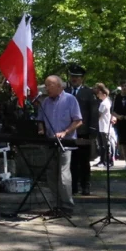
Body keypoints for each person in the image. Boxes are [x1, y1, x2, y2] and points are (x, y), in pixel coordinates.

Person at [37, 75, 83, 213]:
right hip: (50, 142)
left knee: (63, 175)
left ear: (58, 86)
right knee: (51, 175)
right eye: (45, 86)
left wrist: (65, 131)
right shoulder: (44, 102)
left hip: (65, 143)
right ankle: (56, 205)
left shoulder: (70, 99)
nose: (46, 88)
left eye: (48, 85)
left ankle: (67, 205)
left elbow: (78, 120)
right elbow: (40, 119)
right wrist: (40, 129)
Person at [66, 64, 96, 195]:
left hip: (83, 131)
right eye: (72, 76)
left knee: (84, 161)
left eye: (77, 77)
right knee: (71, 161)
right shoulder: (65, 92)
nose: (74, 79)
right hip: (69, 131)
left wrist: (93, 129)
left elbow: (93, 113)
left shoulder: (88, 93)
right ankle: (73, 186)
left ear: (82, 79)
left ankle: (85, 185)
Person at [92, 83, 113, 167]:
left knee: (105, 145)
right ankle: (104, 160)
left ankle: (107, 161)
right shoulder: (107, 102)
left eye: (99, 93)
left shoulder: (104, 103)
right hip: (103, 126)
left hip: (104, 127)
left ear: (103, 93)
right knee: (103, 145)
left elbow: (99, 114)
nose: (98, 95)